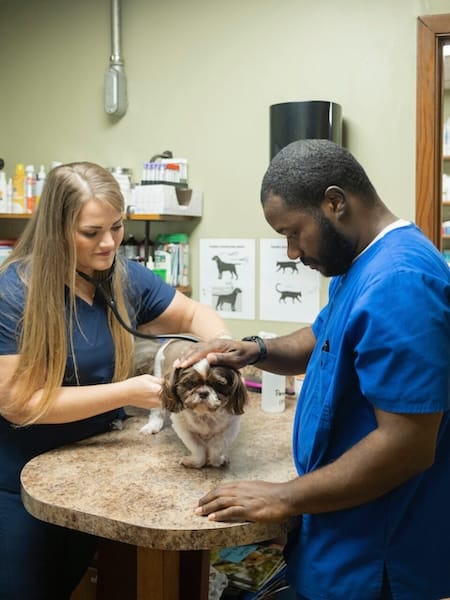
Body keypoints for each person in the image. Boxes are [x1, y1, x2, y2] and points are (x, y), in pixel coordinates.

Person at [180, 139, 450, 600]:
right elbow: (323, 336)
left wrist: (281, 496)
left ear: (335, 203)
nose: (290, 252)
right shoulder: (364, 261)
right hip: (340, 533)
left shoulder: (400, 282)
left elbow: (407, 445)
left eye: (293, 232)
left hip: (375, 557)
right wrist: (254, 350)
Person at [0, 161, 230, 600]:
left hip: (88, 478)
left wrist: (217, 346)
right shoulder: (14, 292)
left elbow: (193, 313)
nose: (108, 243)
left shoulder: (120, 275)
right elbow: (18, 403)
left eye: (117, 227)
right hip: (21, 485)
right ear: (56, 228)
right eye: (91, 232)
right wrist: (129, 393)